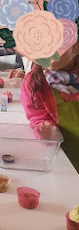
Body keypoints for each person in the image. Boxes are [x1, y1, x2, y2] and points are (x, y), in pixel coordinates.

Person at [20, 41, 79, 171]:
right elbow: (37, 116)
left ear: (76, 48)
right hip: (65, 163)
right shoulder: (36, 83)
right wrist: (47, 128)